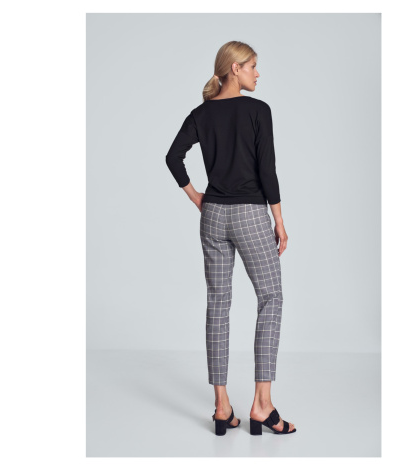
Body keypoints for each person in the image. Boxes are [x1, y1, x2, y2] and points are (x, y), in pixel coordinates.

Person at [166, 41, 296, 436]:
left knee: (218, 305)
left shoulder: (201, 114)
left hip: (213, 217)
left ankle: (222, 407)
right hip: (250, 214)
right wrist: (279, 220)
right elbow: (267, 169)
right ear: (235, 69)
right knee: (271, 298)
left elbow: (173, 157)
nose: (258, 73)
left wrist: (197, 197)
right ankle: (262, 405)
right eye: (253, 66)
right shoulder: (258, 110)